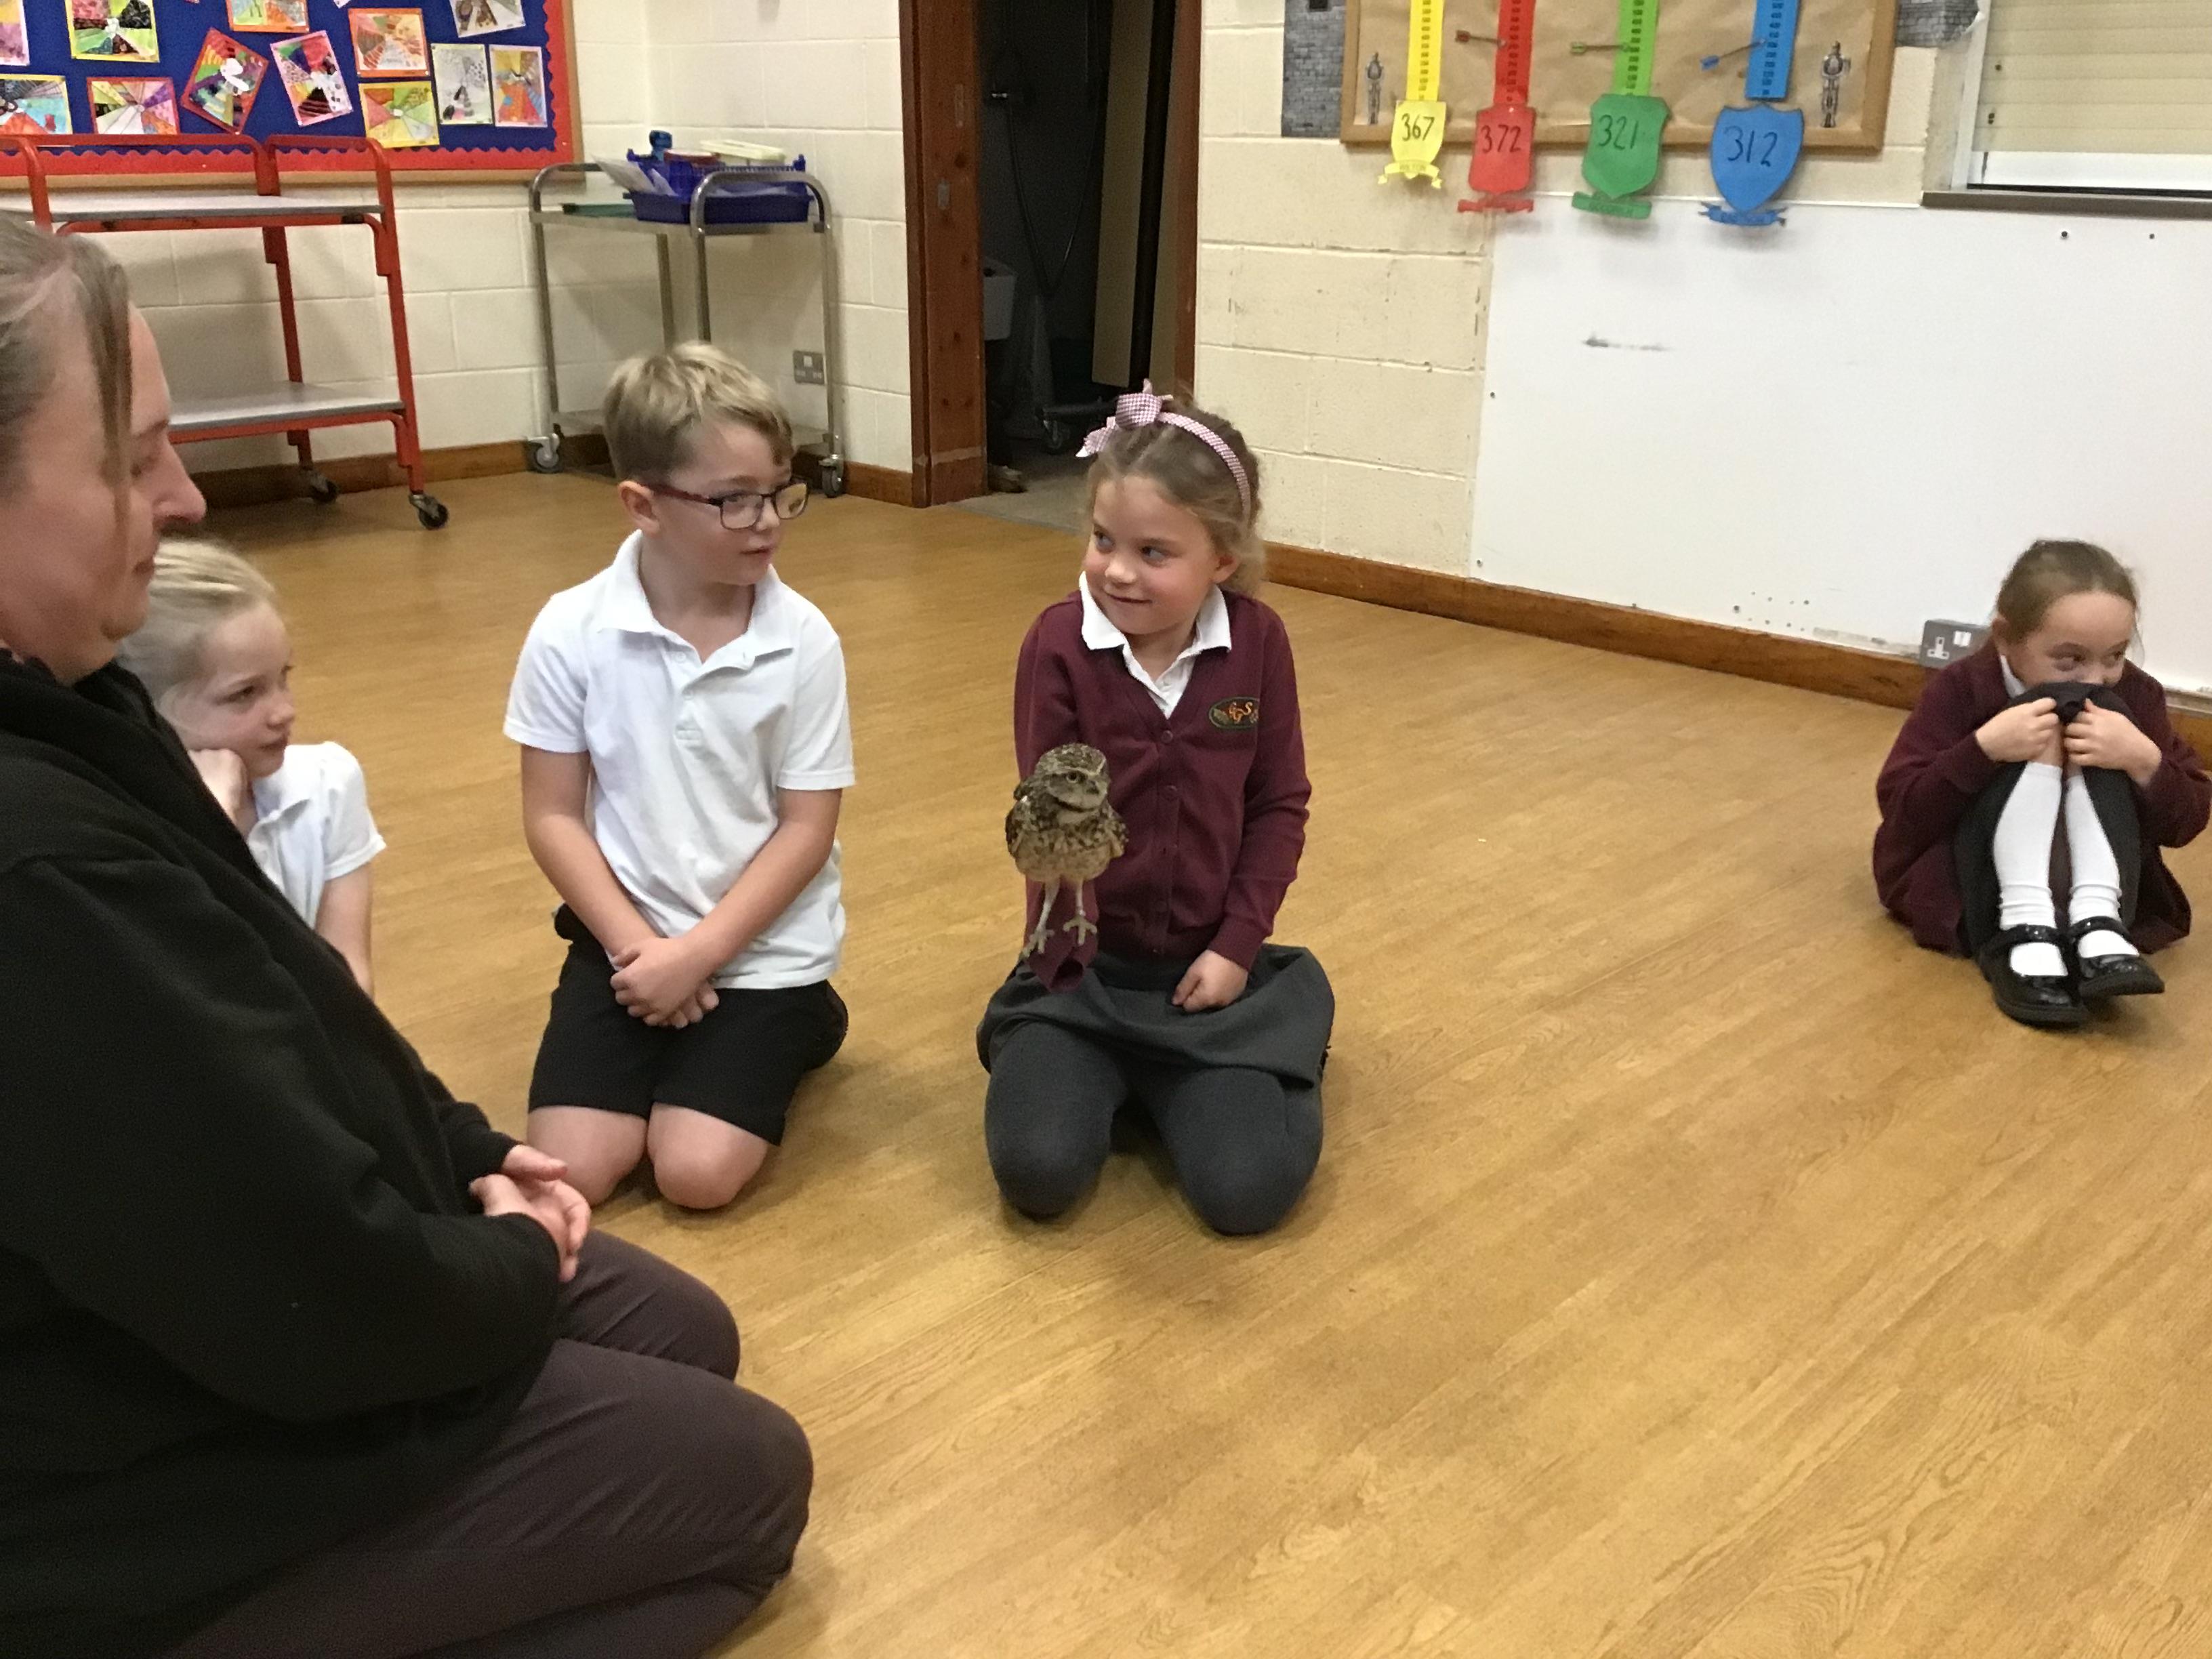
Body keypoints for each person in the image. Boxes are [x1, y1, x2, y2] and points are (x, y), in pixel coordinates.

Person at [0, 222, 809, 1658]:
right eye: (131, 461)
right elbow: (298, 1294)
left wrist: (468, 1151)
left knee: (685, 1335)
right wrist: (510, 1260)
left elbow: (297, 1002)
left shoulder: (80, 698)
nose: (186, 496)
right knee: (748, 1482)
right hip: (128, 1483)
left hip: (296, 1271)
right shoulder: (40, 866)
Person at [507, 344, 853, 1212]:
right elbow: (553, 817)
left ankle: (808, 1014)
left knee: (694, 1176)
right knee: (574, 1170)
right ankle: (681, 1034)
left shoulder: (805, 640)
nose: (766, 521)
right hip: (626, 944)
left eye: (779, 490)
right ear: (642, 505)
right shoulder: (569, 630)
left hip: (760, 950)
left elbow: (808, 828)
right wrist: (640, 952)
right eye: (733, 500)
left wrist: (698, 956)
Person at [980, 384, 1332, 1237]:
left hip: (1205, 980)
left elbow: (1279, 803)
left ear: (1223, 560)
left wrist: (1237, 946)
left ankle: (1215, 1071)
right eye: (1104, 540)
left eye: (1154, 552)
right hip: (1084, 976)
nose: (1117, 570)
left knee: (1247, 1193)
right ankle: (1103, 1073)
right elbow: (1052, 826)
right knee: (1038, 1173)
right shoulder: (1058, 645)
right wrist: (1065, 953)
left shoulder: (1258, 644)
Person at [1874, 539, 2211, 1027]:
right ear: (2005, 638)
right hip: (1977, 888)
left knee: (2100, 716)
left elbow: (2188, 819)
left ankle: (2096, 922)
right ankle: (2023, 928)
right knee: (2042, 717)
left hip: (2104, 888)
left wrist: (2143, 761)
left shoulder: (2135, 694)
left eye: (2115, 656)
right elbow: (1904, 811)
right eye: (2070, 661)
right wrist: (1982, 750)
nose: (2095, 678)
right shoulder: (1961, 688)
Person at [115, 538, 383, 993]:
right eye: (244, 694)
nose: (285, 712)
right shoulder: (122, 829)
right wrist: (209, 827)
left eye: (283, 678)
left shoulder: (327, 786)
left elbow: (348, 982)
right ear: (144, 706)